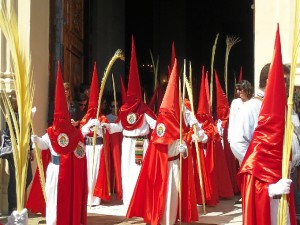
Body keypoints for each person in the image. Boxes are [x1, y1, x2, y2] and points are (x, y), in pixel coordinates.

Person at [127, 59, 207, 225]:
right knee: (168, 196)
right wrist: (181, 145)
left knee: (175, 196)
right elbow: (164, 143)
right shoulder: (163, 123)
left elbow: (191, 133)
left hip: (176, 165)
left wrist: (187, 141)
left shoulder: (176, 116)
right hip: (166, 167)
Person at [236, 28, 300, 224]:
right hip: (266, 181)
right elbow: (238, 142)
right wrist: (262, 173)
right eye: (285, 81)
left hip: (288, 176)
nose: (288, 86)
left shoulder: (287, 108)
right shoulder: (252, 108)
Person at [102, 36, 157, 210]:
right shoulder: (125, 111)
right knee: (127, 171)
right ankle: (129, 201)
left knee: (141, 173)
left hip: (141, 143)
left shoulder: (145, 110)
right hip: (127, 144)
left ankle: (141, 201)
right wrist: (104, 126)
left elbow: (157, 126)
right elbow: (117, 126)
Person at [31, 62, 88, 225]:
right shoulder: (51, 131)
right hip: (54, 168)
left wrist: (74, 127)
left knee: (64, 196)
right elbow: (44, 143)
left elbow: (78, 145)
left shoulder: (74, 112)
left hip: (67, 166)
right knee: (52, 194)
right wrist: (36, 139)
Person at [79, 63, 111, 207]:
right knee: (86, 172)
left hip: (98, 148)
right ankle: (86, 197)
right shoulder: (85, 118)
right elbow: (81, 132)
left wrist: (98, 127)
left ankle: (96, 197)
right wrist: (87, 126)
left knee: (96, 172)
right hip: (87, 148)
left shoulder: (102, 118)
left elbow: (105, 133)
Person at [0, 92, 34, 215]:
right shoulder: (11, 116)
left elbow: (28, 134)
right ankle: (13, 208)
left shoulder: (24, 116)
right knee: (14, 180)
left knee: (27, 177)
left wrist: (31, 149)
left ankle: (19, 204)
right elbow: (8, 135)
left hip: (24, 152)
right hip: (14, 153)